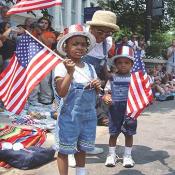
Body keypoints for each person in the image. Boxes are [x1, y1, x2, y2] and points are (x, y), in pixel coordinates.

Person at [54, 24, 101, 175]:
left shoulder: (90, 68)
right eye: (75, 44)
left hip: (88, 116)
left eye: (83, 44)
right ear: (66, 47)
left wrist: (97, 85)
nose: (79, 47)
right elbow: (61, 92)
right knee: (64, 149)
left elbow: (97, 93)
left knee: (82, 147)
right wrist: (70, 72)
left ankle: (81, 172)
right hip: (69, 116)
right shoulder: (62, 67)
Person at [103, 46, 137, 168]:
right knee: (113, 133)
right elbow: (106, 91)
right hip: (115, 110)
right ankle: (111, 154)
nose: (123, 65)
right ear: (115, 64)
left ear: (132, 64)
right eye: (120, 62)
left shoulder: (135, 78)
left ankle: (127, 155)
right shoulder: (112, 77)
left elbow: (140, 93)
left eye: (127, 62)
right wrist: (106, 96)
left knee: (129, 133)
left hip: (130, 110)